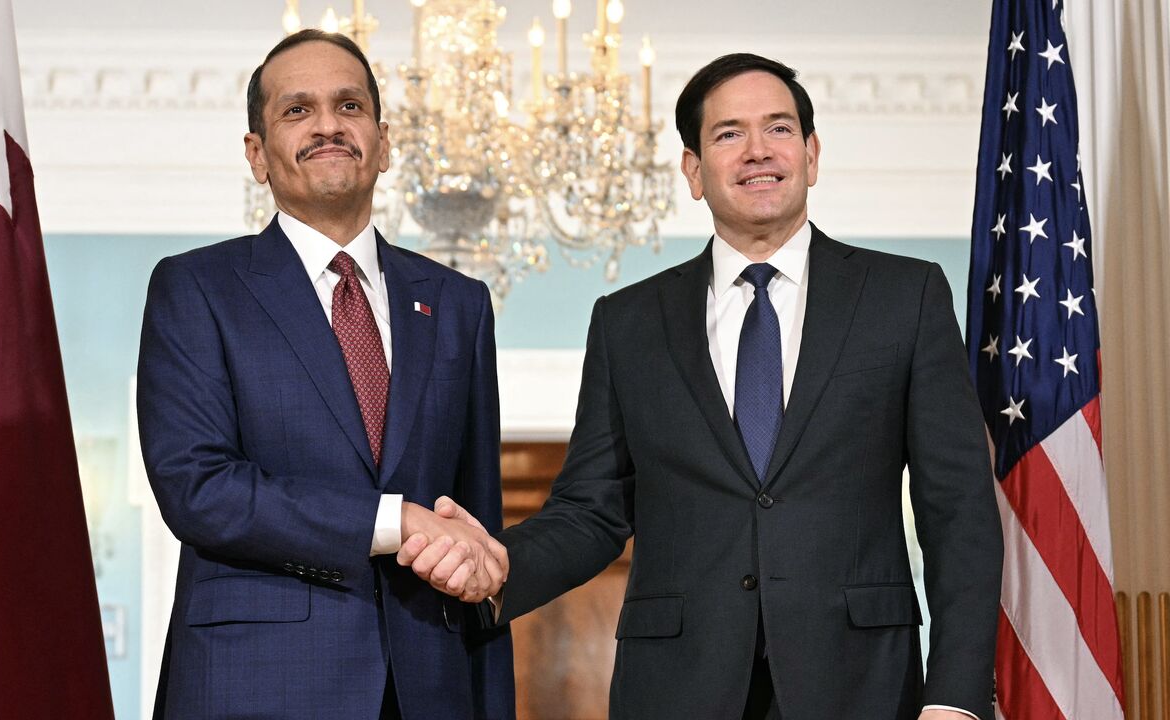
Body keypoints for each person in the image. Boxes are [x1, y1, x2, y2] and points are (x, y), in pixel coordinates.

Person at [402, 53, 1002, 719]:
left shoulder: (904, 297)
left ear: (811, 153)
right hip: (675, 689)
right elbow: (592, 511)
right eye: (728, 134)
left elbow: (959, 512)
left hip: (861, 685)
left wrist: (956, 701)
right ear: (693, 171)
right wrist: (498, 562)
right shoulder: (627, 323)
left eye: (778, 129)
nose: (757, 151)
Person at [137, 30, 513, 720]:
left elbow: (474, 525)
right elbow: (200, 489)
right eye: (296, 110)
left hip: (431, 686)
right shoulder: (196, 288)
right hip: (256, 686)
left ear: (384, 140)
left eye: (349, 106)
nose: (328, 125)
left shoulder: (458, 304)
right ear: (257, 154)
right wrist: (390, 520)